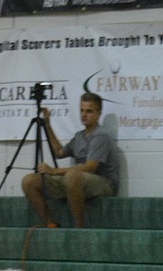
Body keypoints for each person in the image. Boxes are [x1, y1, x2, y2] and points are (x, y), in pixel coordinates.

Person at [21, 93, 120, 229]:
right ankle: (51, 223)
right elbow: (59, 152)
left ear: (98, 113)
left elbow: (90, 167)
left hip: (104, 183)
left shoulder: (101, 135)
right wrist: (48, 125)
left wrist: (54, 171)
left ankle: (78, 229)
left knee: (72, 177)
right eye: (82, 111)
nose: (84, 115)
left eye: (89, 111)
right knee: (29, 181)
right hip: (77, 180)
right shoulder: (79, 136)